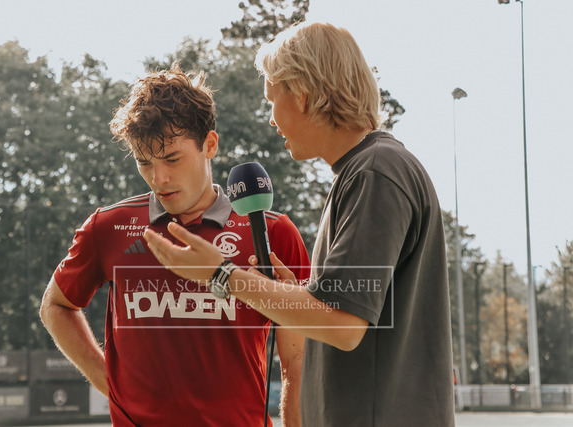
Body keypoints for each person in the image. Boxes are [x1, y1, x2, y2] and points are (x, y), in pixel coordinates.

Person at [143, 22, 455, 426]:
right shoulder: (368, 169)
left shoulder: (375, 172)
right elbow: (341, 313)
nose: (272, 120)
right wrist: (296, 295)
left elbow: (343, 325)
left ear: (302, 95)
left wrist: (220, 274)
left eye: (272, 100)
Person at [39, 64, 311, 426]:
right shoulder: (108, 226)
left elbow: (298, 360)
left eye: (172, 159)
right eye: (144, 162)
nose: (159, 178)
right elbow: (55, 306)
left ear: (209, 145)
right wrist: (112, 385)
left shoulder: (273, 232)